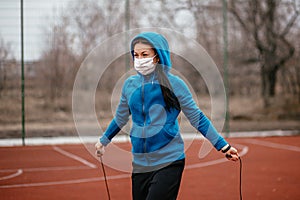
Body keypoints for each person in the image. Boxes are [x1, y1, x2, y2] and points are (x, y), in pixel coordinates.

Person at [95, 32, 239, 200]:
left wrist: (223, 145)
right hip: (140, 164)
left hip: (169, 161)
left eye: (144, 54)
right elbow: (120, 118)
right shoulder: (129, 85)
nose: (139, 59)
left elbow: (196, 117)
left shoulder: (175, 84)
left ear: (157, 56)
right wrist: (104, 140)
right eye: (136, 55)